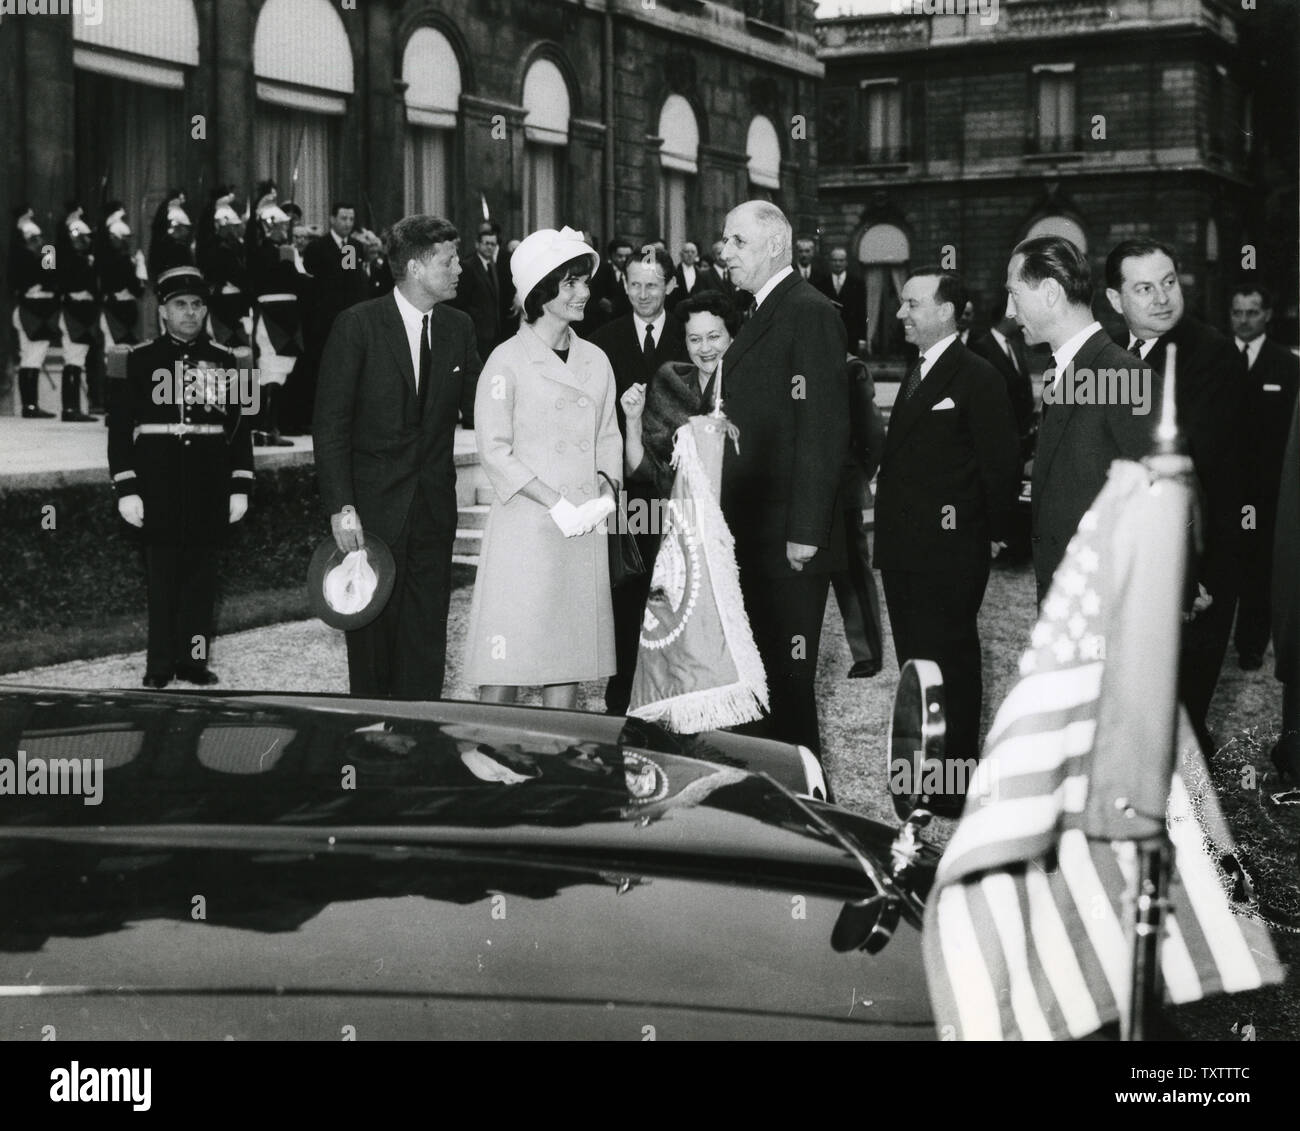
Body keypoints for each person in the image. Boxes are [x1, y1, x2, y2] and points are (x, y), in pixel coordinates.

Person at [315, 214, 478, 699]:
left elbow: (486, 407)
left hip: (432, 510)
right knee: (370, 636)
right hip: (371, 514)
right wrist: (341, 508)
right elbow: (331, 427)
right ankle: (370, 743)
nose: (459, 270)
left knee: (427, 634)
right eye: (449, 261)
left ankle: (421, 741)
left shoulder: (459, 327)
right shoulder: (358, 326)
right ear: (414, 266)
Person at [464, 226, 621, 709]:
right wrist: (555, 503)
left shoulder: (596, 359)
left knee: (567, 652)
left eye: (584, 282)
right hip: (528, 527)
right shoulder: (505, 361)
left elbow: (607, 435)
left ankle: (558, 759)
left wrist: (605, 490)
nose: (584, 293)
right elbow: (494, 448)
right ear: (541, 291)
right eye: (570, 283)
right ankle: (488, 755)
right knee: (507, 651)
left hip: (582, 527)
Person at [874, 267, 1019, 784]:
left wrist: (992, 534)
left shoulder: (978, 377)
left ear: (945, 312)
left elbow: (999, 466)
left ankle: (953, 780)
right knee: (916, 664)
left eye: (911, 304)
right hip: (902, 550)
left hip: (951, 551)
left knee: (952, 665)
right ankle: (919, 769)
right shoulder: (918, 371)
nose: (900, 313)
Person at [716, 201, 850, 755]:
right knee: (759, 682)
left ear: (775, 246)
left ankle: (805, 816)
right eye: (725, 241)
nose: (725, 253)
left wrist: (806, 530)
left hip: (787, 541)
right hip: (755, 533)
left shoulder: (809, 311)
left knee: (787, 689)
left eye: (738, 241)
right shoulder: (762, 310)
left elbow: (822, 426)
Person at [1105, 238, 1246, 750]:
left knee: (1176, 723)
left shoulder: (1209, 355)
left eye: (1168, 282)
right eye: (1144, 288)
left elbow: (1195, 471)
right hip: (1134, 562)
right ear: (1116, 300)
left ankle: (1188, 824)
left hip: (1193, 570)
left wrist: (1189, 577)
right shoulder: (1115, 356)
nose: (1163, 297)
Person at [107, 265, 254, 688]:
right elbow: (120, 431)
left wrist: (241, 485)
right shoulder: (137, 360)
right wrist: (127, 488)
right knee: (162, 581)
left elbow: (241, 431)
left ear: (206, 310)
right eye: (180, 305)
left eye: (197, 304)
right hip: (158, 485)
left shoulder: (231, 361)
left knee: (202, 582)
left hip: (209, 485)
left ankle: (192, 664)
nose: (189, 312)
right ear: (164, 311)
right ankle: (158, 668)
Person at [1006, 236, 1154, 600]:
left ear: (1051, 292)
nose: (1010, 311)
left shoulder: (1123, 375)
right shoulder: (1064, 370)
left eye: (1015, 294)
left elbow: (1166, 491)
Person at [589, 251, 691, 715]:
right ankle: (622, 700)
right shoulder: (601, 342)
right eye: (635, 285)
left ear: (670, 285)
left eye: (653, 285)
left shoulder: (691, 337)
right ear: (623, 285)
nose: (644, 294)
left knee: (677, 590)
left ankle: (675, 698)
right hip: (627, 493)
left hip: (679, 487)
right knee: (628, 590)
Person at [1229, 283, 1299, 670]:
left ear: (1267, 314)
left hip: (1265, 493)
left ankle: (1251, 644)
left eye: (1252, 312)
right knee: (1223, 563)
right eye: (1237, 313)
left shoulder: (1287, 366)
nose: (1243, 320)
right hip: (1224, 488)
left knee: (1258, 567)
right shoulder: (1219, 359)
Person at [831, 353, 886, 678]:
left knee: (852, 572)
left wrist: (857, 474)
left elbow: (871, 433)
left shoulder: (850, 368)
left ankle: (867, 652)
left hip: (841, 487)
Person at [299, 203, 365, 433]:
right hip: (322, 322)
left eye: (351, 219)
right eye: (344, 218)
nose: (348, 223)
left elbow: (353, 283)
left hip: (347, 320)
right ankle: (314, 418)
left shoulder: (354, 248)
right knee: (319, 369)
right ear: (332, 219)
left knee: (347, 370)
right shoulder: (317, 247)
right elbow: (312, 287)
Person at [248, 201, 306, 446]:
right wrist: (287, 260)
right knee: (271, 370)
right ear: (267, 226)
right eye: (281, 225)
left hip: (285, 314)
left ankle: (269, 427)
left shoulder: (281, 250)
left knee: (279, 370)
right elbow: (292, 279)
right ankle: (265, 429)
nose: (285, 228)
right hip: (274, 314)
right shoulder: (266, 251)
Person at [968, 292, 1037, 467]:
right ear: (1008, 315)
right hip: (998, 436)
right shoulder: (980, 347)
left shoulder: (1015, 346)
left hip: (1020, 437)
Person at [451, 221, 506, 428]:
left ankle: (486, 414)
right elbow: (462, 301)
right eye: (486, 244)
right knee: (475, 376)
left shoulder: (493, 266)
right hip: (477, 332)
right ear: (477, 244)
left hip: (493, 333)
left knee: (490, 376)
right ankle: (471, 416)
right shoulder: (468, 266)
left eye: (493, 244)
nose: (490, 248)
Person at [9, 207, 59, 418]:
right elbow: (49, 278)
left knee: (28, 357)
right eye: (36, 238)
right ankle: (30, 406)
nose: (39, 241)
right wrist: (48, 255)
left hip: (29, 309)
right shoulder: (32, 257)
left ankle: (29, 405)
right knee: (32, 358)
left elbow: (49, 278)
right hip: (33, 310)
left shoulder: (32, 254)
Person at [56, 206, 100, 421]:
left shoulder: (68, 254)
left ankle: (72, 408)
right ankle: (70, 409)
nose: (87, 241)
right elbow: (52, 275)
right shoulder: (62, 255)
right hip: (74, 309)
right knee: (74, 359)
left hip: (81, 309)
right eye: (84, 238)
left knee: (75, 358)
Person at [815, 246, 867, 353]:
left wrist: (862, 338)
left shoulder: (857, 284)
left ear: (846, 262)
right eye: (834, 260)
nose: (838, 264)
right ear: (830, 262)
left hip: (851, 336)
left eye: (841, 260)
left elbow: (862, 312)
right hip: (828, 336)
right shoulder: (821, 284)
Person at [583, 235, 634, 336]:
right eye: (620, 256)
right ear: (612, 255)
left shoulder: (634, 272)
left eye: (628, 256)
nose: (624, 259)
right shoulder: (601, 271)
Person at [666, 240, 720, 312]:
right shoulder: (673, 273)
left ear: (696, 255)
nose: (690, 254)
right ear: (681, 254)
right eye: (687, 252)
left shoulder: (701, 274)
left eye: (692, 252)